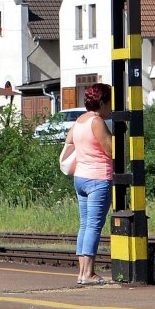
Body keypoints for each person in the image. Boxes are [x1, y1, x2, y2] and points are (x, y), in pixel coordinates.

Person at [61, 83, 114, 285]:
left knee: (85, 225)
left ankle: (82, 272)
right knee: (94, 225)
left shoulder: (79, 121)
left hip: (80, 178)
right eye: (109, 102)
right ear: (102, 102)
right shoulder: (97, 121)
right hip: (98, 178)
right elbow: (111, 150)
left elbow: (69, 142)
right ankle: (89, 273)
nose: (111, 107)